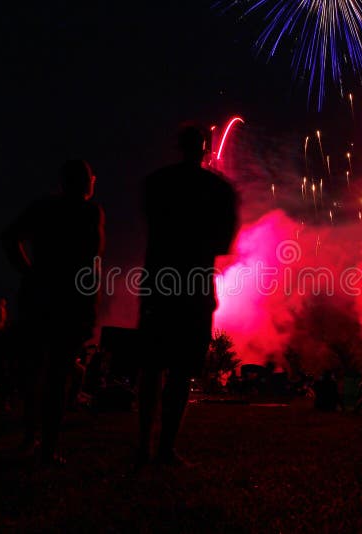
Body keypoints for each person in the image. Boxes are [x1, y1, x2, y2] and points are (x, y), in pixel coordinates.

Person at [137, 123, 238, 468]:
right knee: (181, 371)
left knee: (152, 368)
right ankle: (165, 449)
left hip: (158, 282)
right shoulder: (218, 190)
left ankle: (142, 447)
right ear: (207, 148)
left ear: (178, 146)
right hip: (194, 284)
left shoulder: (156, 182)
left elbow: (151, 222)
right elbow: (223, 243)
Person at [2, 159, 104, 466]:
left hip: (37, 297)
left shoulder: (42, 208)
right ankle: (47, 446)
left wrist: (30, 272)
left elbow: (8, 238)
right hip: (69, 301)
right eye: (90, 177)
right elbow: (92, 264)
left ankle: (29, 437)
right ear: (86, 182)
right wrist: (91, 306)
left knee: (33, 371)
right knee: (58, 374)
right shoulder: (90, 212)